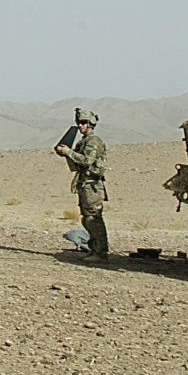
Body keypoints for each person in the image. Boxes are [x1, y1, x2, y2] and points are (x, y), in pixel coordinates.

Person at [55, 107, 110, 261]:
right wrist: (66, 154)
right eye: (79, 122)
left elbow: (87, 161)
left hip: (92, 185)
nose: (81, 126)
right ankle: (94, 249)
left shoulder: (94, 141)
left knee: (94, 218)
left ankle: (101, 252)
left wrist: (69, 152)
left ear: (91, 124)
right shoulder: (84, 142)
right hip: (85, 184)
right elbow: (77, 164)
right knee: (87, 218)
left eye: (84, 122)